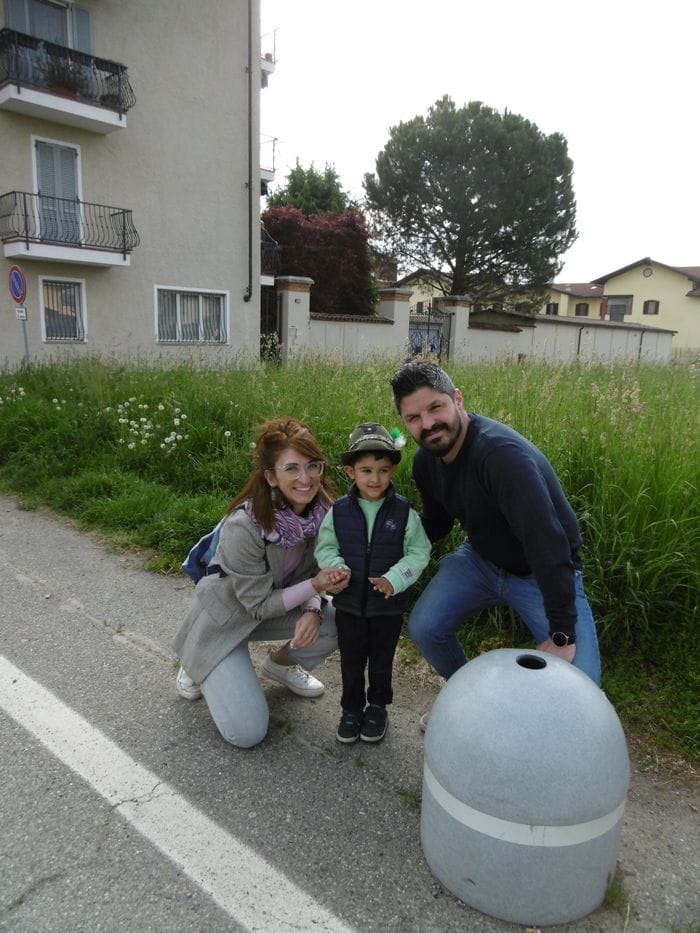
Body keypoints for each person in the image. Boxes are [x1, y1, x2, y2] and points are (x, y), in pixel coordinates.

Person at [390, 360, 601, 727]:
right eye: (413, 417)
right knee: (425, 627)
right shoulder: (427, 461)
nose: (427, 424)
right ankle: (471, 699)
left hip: (541, 570)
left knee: (582, 687)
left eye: (435, 407)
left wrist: (562, 632)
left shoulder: (500, 456)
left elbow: (548, 545)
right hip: (481, 559)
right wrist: (387, 543)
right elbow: (436, 524)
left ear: (457, 399)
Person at [172, 418, 349, 749]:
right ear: (271, 476)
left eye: (313, 466)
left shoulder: (325, 513)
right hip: (224, 619)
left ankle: (281, 666)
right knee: (248, 733)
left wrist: (313, 610)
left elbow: (316, 570)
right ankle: (198, 658)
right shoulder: (245, 526)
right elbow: (257, 604)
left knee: (340, 621)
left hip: (271, 608)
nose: (306, 478)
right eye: (292, 468)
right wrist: (314, 588)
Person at [315, 422, 431, 744]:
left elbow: (419, 551)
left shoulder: (404, 512)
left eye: (382, 470)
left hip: (387, 609)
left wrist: (395, 579)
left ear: (393, 469)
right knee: (351, 662)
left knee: (381, 661)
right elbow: (325, 547)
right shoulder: (338, 511)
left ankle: (378, 707)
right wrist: (336, 568)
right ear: (349, 471)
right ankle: (351, 709)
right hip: (349, 605)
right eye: (366, 470)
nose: (374, 478)